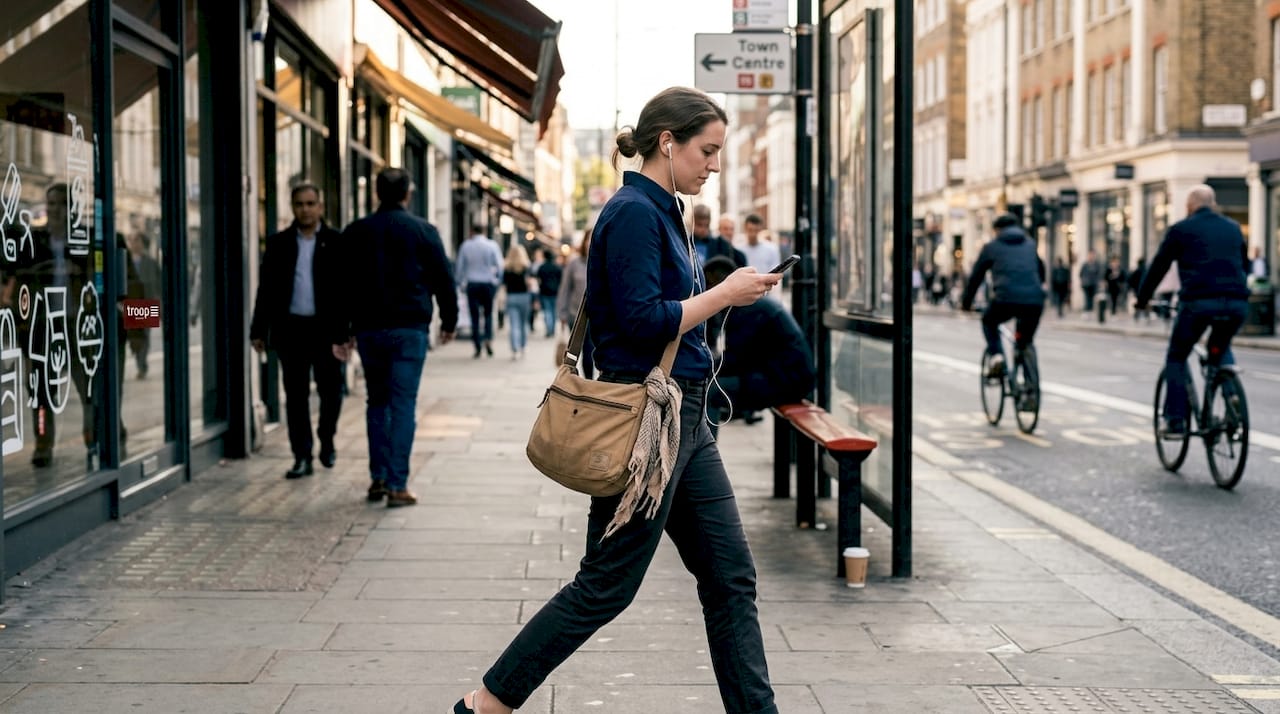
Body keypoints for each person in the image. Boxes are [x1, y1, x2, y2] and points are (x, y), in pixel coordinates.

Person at [452, 86, 783, 714]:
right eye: (707, 150)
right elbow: (639, 320)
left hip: (687, 419)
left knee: (730, 578)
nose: (715, 165)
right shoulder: (633, 212)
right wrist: (724, 295)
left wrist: (723, 298)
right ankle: (485, 704)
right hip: (647, 423)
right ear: (669, 142)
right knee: (606, 585)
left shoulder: (665, 210)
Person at [332, 168, 458, 506]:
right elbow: (443, 279)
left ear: (377, 193)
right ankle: (397, 485)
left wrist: (341, 331)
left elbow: (340, 286)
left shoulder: (356, 232)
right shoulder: (423, 231)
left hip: (369, 329)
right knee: (403, 404)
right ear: (407, 193)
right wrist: (449, 321)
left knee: (377, 402)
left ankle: (379, 478)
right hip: (409, 329)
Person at [1135, 184, 1249, 439]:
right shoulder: (1233, 228)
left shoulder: (1181, 229)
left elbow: (1159, 266)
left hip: (1198, 304)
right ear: (1213, 204)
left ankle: (1175, 421)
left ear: (1189, 206)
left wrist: (1142, 299)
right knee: (1219, 348)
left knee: (1177, 356)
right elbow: (1245, 265)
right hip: (1236, 303)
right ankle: (1231, 394)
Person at [249, 184, 344, 478]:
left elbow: (347, 291)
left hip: (326, 331)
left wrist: (347, 332)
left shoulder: (336, 241)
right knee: (295, 396)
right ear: (292, 207)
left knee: (331, 392)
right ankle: (302, 456)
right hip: (291, 330)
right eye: (300, 204)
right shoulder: (279, 243)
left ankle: (326, 438)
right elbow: (266, 289)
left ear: (320, 207)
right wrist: (258, 329)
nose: (305, 209)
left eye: (310, 203)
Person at [703, 255, 814, 425]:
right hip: (785, 377)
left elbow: (735, 359)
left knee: (711, 392)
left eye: (707, 287)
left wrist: (705, 368)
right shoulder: (751, 305)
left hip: (788, 382)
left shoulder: (745, 310)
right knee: (712, 385)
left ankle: (705, 443)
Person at [960, 213, 1046, 385]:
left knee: (989, 321)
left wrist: (966, 303)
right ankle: (1030, 386)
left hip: (1005, 299)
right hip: (1034, 301)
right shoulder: (1030, 244)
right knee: (1025, 340)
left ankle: (997, 356)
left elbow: (976, 277)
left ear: (997, 230)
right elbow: (1041, 271)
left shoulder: (992, 247)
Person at [455, 221, 502, 358]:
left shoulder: (466, 246)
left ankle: (477, 344)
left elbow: (460, 267)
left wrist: (459, 283)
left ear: (472, 231)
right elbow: (499, 266)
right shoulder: (492, 245)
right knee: (488, 314)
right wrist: (496, 281)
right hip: (488, 284)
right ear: (484, 231)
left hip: (472, 284)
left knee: (474, 316)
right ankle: (488, 339)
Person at [556, 230, 594, 378]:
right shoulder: (574, 264)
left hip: (597, 316)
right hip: (576, 315)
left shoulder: (604, 261)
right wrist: (562, 313)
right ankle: (582, 382)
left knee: (591, 352)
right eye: (589, 239)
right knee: (580, 351)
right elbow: (565, 289)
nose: (591, 243)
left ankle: (589, 381)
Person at [124, 233, 161, 379]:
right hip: (132, 301)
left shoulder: (150, 262)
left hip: (147, 301)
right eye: (132, 241)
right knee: (135, 337)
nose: (134, 244)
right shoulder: (127, 261)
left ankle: (142, 365)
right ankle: (140, 364)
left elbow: (158, 283)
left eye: (137, 240)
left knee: (145, 336)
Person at [501, 244, 533, 360]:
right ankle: (523, 346)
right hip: (524, 297)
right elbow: (530, 283)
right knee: (523, 323)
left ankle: (515, 349)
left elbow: (503, 284)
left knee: (514, 324)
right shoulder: (526, 267)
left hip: (511, 297)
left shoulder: (506, 268)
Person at [691, 203, 744, 267]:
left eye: (706, 225)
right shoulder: (685, 243)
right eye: (699, 225)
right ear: (693, 223)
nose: (703, 229)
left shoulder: (720, 245)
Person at [738, 213, 781, 279]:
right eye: (750, 230)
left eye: (756, 230)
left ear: (760, 229)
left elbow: (776, 274)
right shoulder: (739, 250)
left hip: (766, 284)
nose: (753, 234)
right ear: (745, 228)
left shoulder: (772, 249)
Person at [534, 248, 561, 338]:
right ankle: (552, 329)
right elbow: (560, 279)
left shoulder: (542, 267)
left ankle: (549, 330)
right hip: (555, 292)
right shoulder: (557, 267)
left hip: (544, 291)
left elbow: (538, 279)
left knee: (547, 311)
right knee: (553, 311)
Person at [1127, 257, 1149, 322]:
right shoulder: (1146, 271)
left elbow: (1130, 281)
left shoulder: (1136, 271)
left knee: (1139, 302)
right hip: (1145, 290)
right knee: (1145, 302)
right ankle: (1146, 315)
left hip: (1137, 290)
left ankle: (1137, 316)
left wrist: (1132, 288)